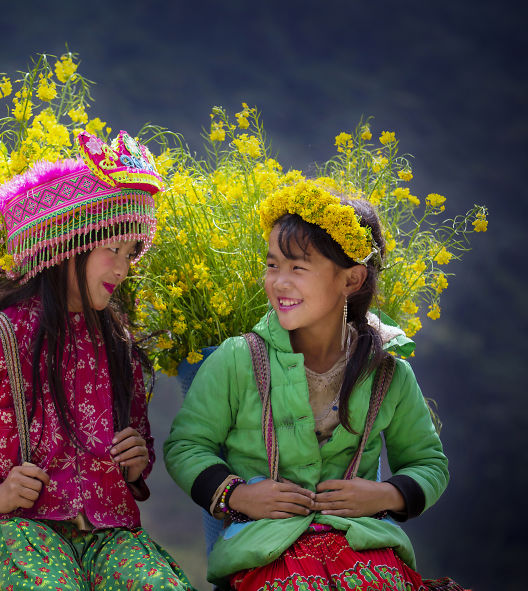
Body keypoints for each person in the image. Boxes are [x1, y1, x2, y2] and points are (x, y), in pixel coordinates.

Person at [0, 130, 195, 591]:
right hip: (22, 533)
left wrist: (138, 462)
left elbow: (138, 446)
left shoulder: (119, 344)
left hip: (110, 537)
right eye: (110, 250)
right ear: (67, 247)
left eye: (129, 252)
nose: (122, 268)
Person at [164, 179, 465, 590]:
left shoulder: (387, 371)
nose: (279, 282)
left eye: (298, 268)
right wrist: (238, 496)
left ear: (351, 280)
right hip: (265, 553)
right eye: (273, 265)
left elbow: (429, 463)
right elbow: (186, 445)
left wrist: (384, 495)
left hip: (364, 550)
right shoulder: (238, 359)